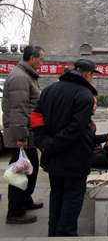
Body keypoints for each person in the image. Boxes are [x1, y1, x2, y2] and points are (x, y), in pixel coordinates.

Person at [31, 59, 101, 237]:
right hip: (74, 159)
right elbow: (76, 129)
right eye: (93, 75)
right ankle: (65, 234)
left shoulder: (48, 90)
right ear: (88, 74)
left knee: (56, 195)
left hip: (52, 156)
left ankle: (53, 232)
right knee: (72, 198)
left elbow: (36, 118)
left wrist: (44, 143)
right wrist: (51, 145)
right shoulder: (85, 95)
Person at [2, 45, 45, 224]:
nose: (42, 63)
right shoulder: (20, 77)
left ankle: (25, 200)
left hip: (27, 134)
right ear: (32, 58)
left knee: (30, 168)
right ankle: (15, 212)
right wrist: (21, 136)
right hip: (23, 136)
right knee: (21, 171)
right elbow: (18, 109)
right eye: (41, 59)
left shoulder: (27, 76)